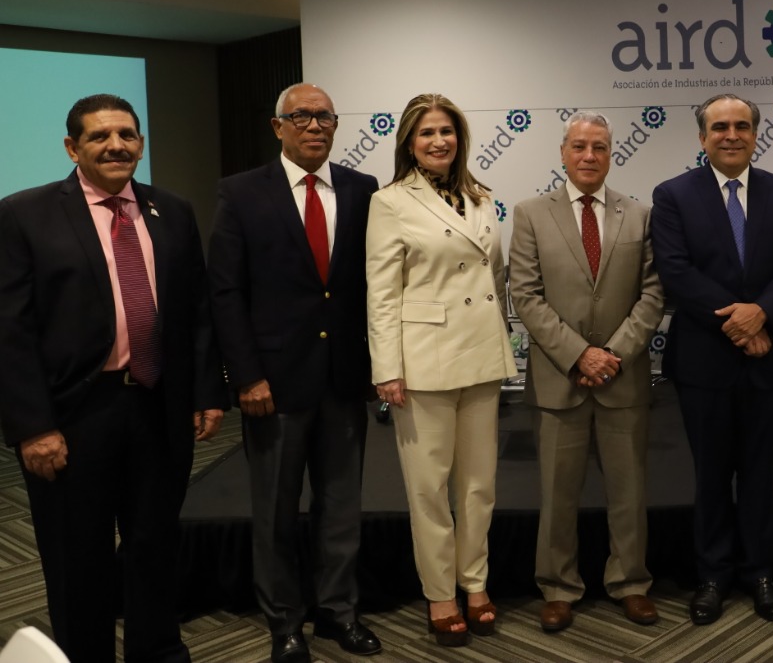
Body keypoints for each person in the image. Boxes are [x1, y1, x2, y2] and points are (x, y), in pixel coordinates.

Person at [0, 94, 226, 663]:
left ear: (141, 144)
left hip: (157, 408)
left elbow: (195, 312)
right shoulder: (24, 213)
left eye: (126, 134)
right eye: (99, 136)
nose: (116, 145)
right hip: (74, 417)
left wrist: (205, 392)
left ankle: (158, 652)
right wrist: (33, 427)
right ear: (72, 147)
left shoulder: (171, 210)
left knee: (154, 545)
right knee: (80, 558)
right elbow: (10, 332)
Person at [208, 83, 381, 663]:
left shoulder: (362, 189)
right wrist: (246, 376)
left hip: (343, 378)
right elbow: (226, 292)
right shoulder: (240, 194)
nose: (314, 125)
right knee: (276, 512)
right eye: (301, 116)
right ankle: (284, 623)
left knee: (341, 507)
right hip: (273, 386)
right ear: (277, 126)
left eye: (324, 116)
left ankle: (338, 613)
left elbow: (366, 288)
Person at [650, 93, 773, 625]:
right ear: (702, 138)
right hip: (704, 362)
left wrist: (762, 313)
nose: (731, 135)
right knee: (711, 475)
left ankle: (760, 572)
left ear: (755, 134)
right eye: (719, 127)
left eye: (741, 126)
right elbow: (676, 272)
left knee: (762, 473)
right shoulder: (673, 195)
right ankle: (714, 575)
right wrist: (741, 326)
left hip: (769, 362)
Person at [365, 93, 517, 647]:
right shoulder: (390, 202)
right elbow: (381, 293)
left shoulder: (481, 196)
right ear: (409, 141)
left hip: (480, 355)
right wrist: (387, 368)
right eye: (426, 132)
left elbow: (492, 275)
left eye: (447, 132)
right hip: (422, 362)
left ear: (460, 139)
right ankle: (440, 594)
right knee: (428, 489)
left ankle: (475, 584)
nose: (438, 141)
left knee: (479, 486)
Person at [508, 111, 666, 632]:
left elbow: (653, 293)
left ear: (611, 152)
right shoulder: (531, 213)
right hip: (560, 380)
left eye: (599, 146)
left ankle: (632, 583)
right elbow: (525, 295)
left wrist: (612, 354)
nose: (589, 156)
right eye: (579, 146)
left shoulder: (639, 215)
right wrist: (579, 355)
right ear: (562, 152)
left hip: (623, 378)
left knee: (630, 492)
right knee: (557, 494)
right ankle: (558, 587)